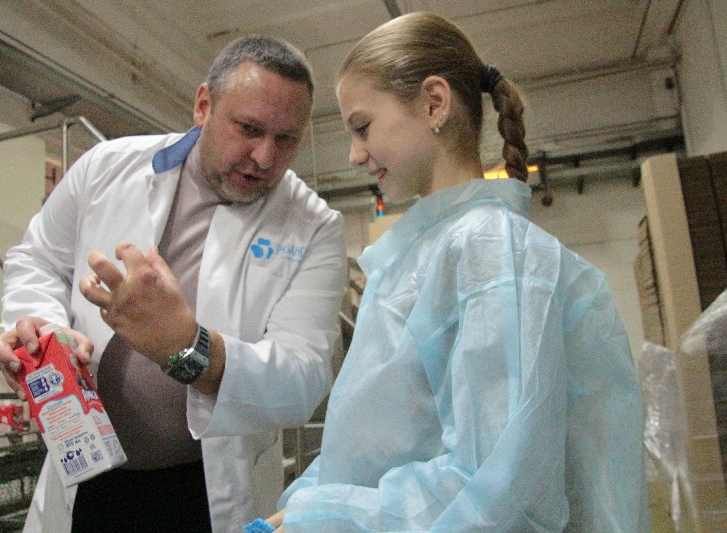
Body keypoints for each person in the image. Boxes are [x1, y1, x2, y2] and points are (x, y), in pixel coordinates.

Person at [266, 12, 648, 532]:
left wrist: (325, 517)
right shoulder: (425, 256)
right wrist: (309, 504)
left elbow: (501, 489)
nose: (354, 155)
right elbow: (370, 446)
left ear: (433, 103)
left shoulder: (488, 251)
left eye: (362, 127)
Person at [0, 35, 347, 533]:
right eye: (248, 129)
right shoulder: (105, 167)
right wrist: (39, 327)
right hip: (86, 471)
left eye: (286, 139)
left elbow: (303, 379)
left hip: (203, 490)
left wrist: (188, 348)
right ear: (204, 105)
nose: (265, 157)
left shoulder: (314, 226)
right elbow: (38, 259)